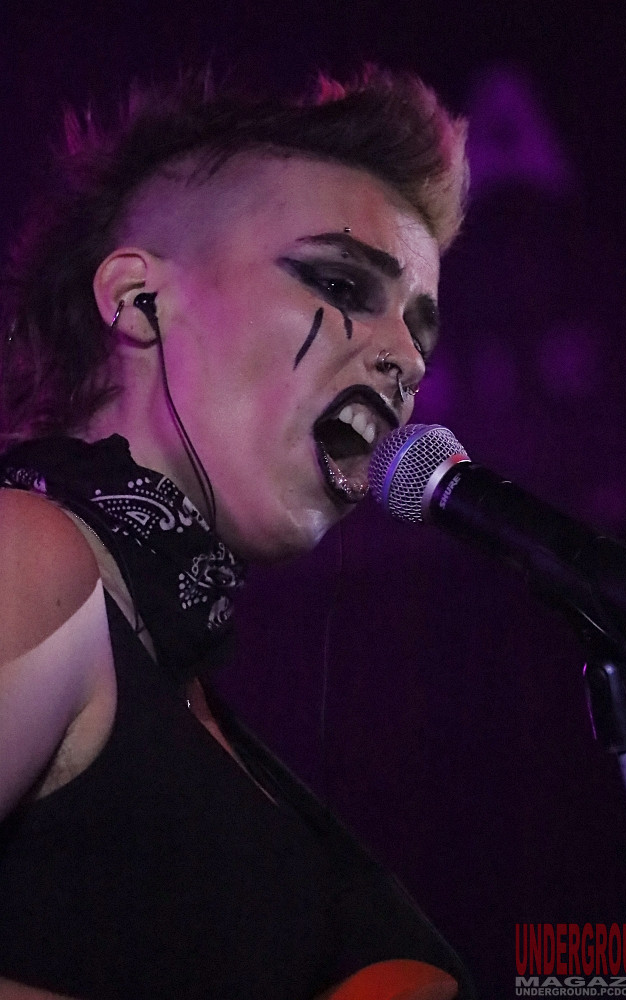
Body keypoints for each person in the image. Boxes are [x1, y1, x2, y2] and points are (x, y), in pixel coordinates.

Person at [0, 67, 471, 999]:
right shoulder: (33, 554)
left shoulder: (184, 680)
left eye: (419, 330)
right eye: (339, 282)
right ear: (137, 300)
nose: (405, 358)